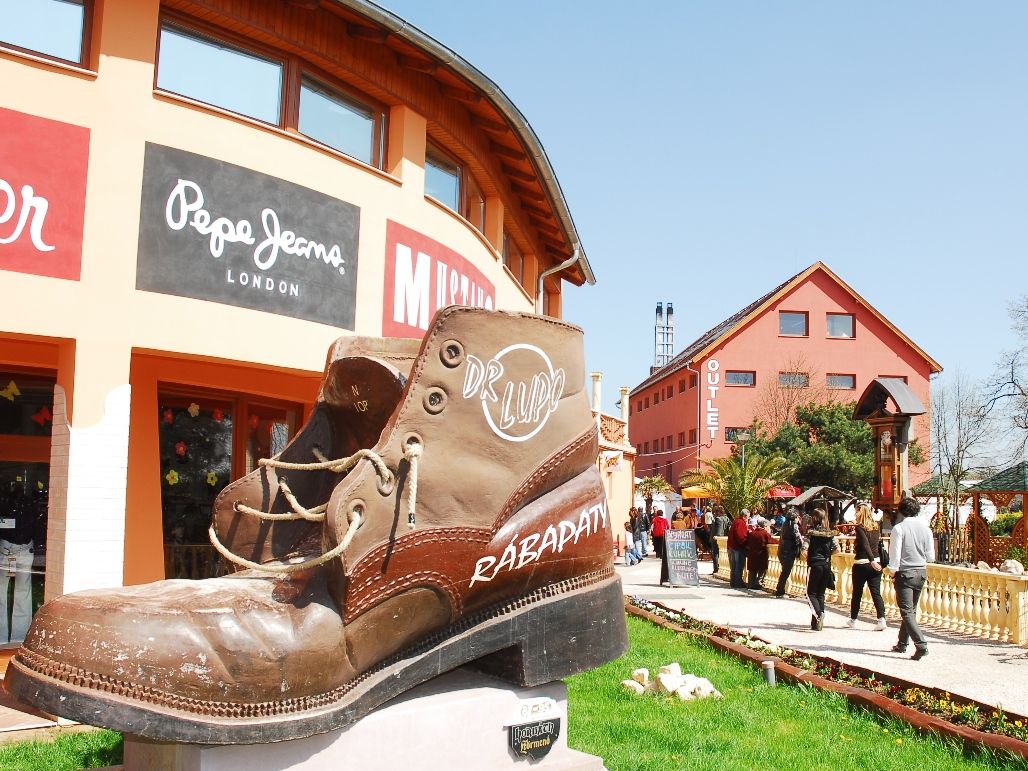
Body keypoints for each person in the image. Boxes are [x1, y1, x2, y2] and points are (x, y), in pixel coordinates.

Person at [889, 497, 935, 660]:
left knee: (907, 612)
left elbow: (895, 555)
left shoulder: (899, 529)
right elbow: (930, 556)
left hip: (905, 573)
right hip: (921, 572)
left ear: (901, 510)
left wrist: (892, 572)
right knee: (911, 611)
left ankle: (921, 645)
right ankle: (902, 644)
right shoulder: (926, 529)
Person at [848, 503, 886, 630]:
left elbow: (865, 544)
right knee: (876, 593)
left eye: (856, 511)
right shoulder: (876, 526)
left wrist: (871, 560)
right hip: (877, 563)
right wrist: (875, 560)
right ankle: (881, 620)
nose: (855, 514)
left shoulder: (860, 527)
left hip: (862, 563)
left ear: (861, 512)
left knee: (857, 593)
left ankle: (853, 620)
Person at [804, 509, 838, 631]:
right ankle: (816, 624)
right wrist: (826, 555)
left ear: (814, 518)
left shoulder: (811, 533)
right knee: (820, 594)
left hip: (814, 565)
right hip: (826, 565)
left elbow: (804, 549)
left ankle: (818, 614)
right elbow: (837, 549)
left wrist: (808, 556)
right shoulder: (830, 534)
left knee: (810, 593)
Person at [774, 507, 804, 597]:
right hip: (789, 552)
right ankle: (780, 591)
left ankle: (780, 590)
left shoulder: (785, 524)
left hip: (782, 551)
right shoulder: (793, 525)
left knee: (784, 572)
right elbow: (797, 539)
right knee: (785, 572)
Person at [746, 518, 776, 589]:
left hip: (752, 554)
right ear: (765, 526)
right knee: (762, 569)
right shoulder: (764, 533)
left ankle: (750, 584)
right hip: (761, 554)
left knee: (752, 570)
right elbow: (771, 541)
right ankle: (758, 583)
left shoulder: (752, 533)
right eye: (768, 526)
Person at [727, 509, 749, 589]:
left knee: (734, 566)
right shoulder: (740, 522)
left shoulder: (736, 521)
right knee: (738, 565)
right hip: (738, 547)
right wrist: (746, 542)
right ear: (744, 516)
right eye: (748, 517)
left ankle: (733, 582)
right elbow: (740, 536)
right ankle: (738, 582)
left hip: (732, 546)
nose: (748, 519)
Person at [650, 507, 670, 586]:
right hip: (663, 534)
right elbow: (667, 527)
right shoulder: (665, 520)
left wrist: (652, 533)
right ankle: (662, 554)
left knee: (657, 545)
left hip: (656, 534)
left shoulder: (654, 519)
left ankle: (658, 554)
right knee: (662, 544)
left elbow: (652, 527)